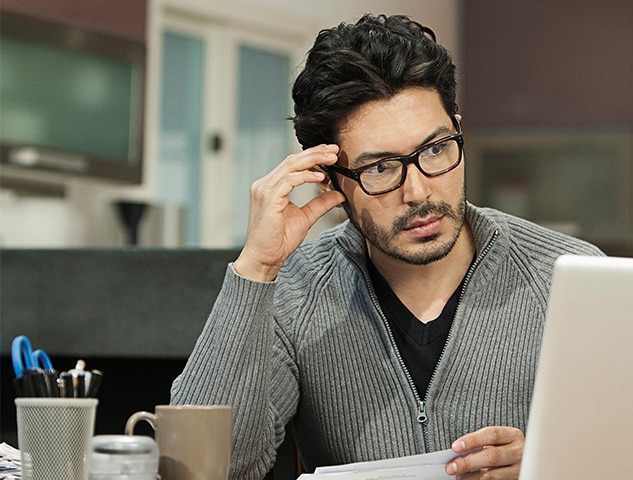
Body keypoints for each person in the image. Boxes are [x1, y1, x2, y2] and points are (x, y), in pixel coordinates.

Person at [170, 13, 603, 480]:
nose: (418, 192)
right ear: (331, 182)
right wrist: (257, 266)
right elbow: (203, 469)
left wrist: (553, 465)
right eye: (380, 169)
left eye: (436, 150)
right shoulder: (296, 292)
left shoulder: (570, 277)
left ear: (457, 131)